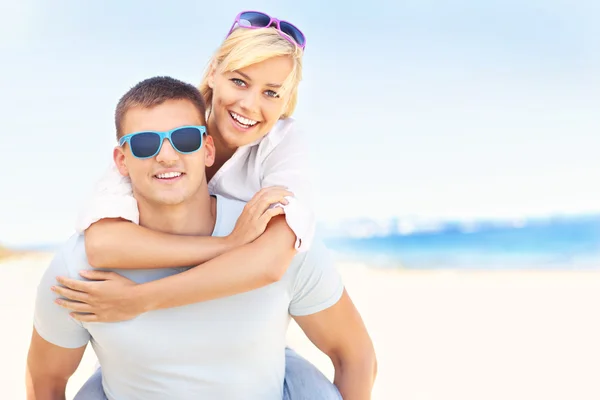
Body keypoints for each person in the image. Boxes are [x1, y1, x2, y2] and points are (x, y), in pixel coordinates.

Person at [26, 77, 376, 400]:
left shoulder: (280, 244)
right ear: (121, 160)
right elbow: (46, 380)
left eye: (185, 139)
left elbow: (355, 356)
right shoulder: (78, 270)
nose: (166, 155)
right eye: (145, 144)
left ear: (207, 150)